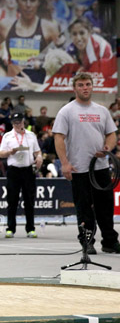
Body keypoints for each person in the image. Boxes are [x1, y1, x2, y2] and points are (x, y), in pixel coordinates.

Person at [53, 72, 120, 254]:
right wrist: (64, 163)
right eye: (81, 85)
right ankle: (87, 241)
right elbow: (59, 138)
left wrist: (108, 147)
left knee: (105, 206)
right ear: (75, 88)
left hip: (101, 167)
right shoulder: (67, 111)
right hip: (79, 168)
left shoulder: (102, 110)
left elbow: (111, 134)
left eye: (88, 84)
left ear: (92, 86)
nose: (85, 88)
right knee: (84, 208)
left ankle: (110, 241)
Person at [0, 112, 42, 238]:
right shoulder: (7, 136)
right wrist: (10, 152)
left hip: (28, 170)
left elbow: (37, 151)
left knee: (29, 200)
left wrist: (39, 157)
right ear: (12, 124)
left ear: (23, 122)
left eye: (19, 122)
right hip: (14, 170)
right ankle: (10, 228)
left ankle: (30, 228)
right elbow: (0, 153)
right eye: (15, 123)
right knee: (12, 200)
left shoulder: (31, 135)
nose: (17, 125)